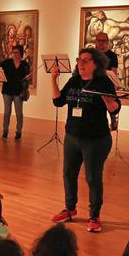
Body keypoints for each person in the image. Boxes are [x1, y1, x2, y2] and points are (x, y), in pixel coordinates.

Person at [50, 48, 122, 233]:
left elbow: (115, 109)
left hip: (95, 139)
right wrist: (53, 80)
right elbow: (58, 101)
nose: (80, 64)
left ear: (95, 64)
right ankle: (70, 208)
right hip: (72, 136)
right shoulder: (74, 80)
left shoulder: (103, 82)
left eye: (85, 60)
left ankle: (94, 216)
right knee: (68, 174)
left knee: (92, 178)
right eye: (79, 60)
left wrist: (108, 101)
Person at [0, 44, 30, 140]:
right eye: (13, 52)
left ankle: (19, 132)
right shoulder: (7, 62)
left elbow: (27, 78)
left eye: (16, 53)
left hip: (18, 92)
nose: (14, 54)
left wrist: (28, 77)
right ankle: (5, 132)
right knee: (7, 112)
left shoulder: (25, 64)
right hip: (7, 91)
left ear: (21, 53)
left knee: (19, 113)